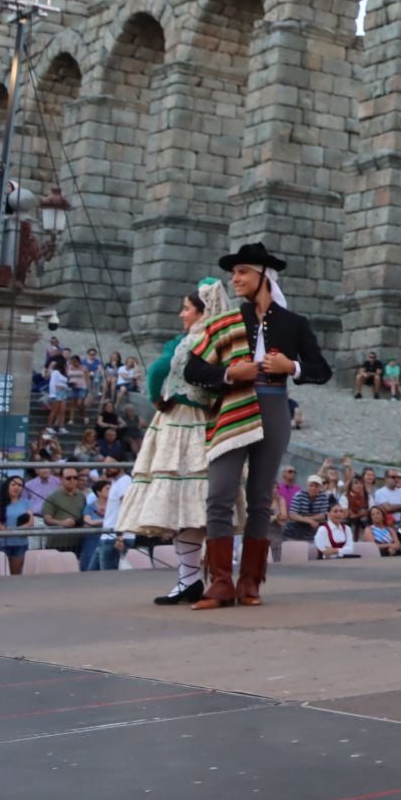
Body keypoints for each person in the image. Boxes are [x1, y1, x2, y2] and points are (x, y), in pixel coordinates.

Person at [184, 241, 333, 609]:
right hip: (233, 406)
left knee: (261, 500)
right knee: (219, 493)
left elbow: (321, 371)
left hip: (273, 405)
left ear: (264, 275)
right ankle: (219, 582)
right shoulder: (225, 322)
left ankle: (249, 582)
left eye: (242, 272)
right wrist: (230, 372)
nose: (234, 279)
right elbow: (193, 368)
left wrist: (291, 368)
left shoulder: (295, 323)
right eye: (234, 272)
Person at [114, 279, 237, 604]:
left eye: (186, 308)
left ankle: (188, 579)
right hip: (209, 424)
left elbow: (156, 371)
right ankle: (194, 579)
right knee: (195, 506)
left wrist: (157, 398)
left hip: (179, 421)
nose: (181, 314)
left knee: (181, 502)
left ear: (201, 311)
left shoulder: (188, 342)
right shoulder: (223, 340)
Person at [0, 475, 32, 575]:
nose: (16, 487)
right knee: (1, 574)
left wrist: (11, 530)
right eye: (13, 484)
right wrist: (15, 530)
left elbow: (30, 523)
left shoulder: (26, 503)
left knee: (15, 574)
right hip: (1, 544)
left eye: (19, 485)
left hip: (20, 544)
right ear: (7, 487)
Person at [286, 474, 337, 545]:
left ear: (320, 487)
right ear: (307, 485)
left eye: (316, 486)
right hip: (293, 533)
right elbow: (292, 514)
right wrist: (309, 521)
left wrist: (306, 518)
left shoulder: (323, 497)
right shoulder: (299, 495)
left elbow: (323, 515)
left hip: (311, 535)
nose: (313, 488)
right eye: (311, 485)